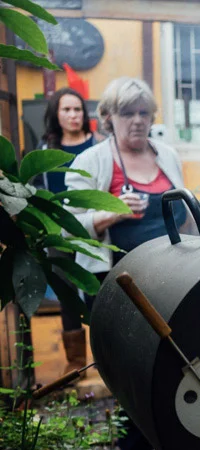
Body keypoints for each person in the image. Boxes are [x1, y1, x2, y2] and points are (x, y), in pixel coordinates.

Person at [65, 76, 195, 450]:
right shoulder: (92, 161)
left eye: (144, 113)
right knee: (130, 374)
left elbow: (186, 213)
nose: (138, 121)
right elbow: (72, 226)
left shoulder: (167, 155)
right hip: (117, 287)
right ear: (108, 118)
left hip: (170, 282)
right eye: (128, 113)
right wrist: (113, 213)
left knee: (175, 369)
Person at [38, 88, 98, 376]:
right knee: (67, 293)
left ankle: (108, 358)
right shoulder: (46, 151)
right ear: (56, 114)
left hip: (93, 230)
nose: (74, 115)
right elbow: (37, 189)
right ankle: (76, 364)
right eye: (67, 110)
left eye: (78, 110)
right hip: (59, 232)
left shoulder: (98, 146)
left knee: (98, 292)